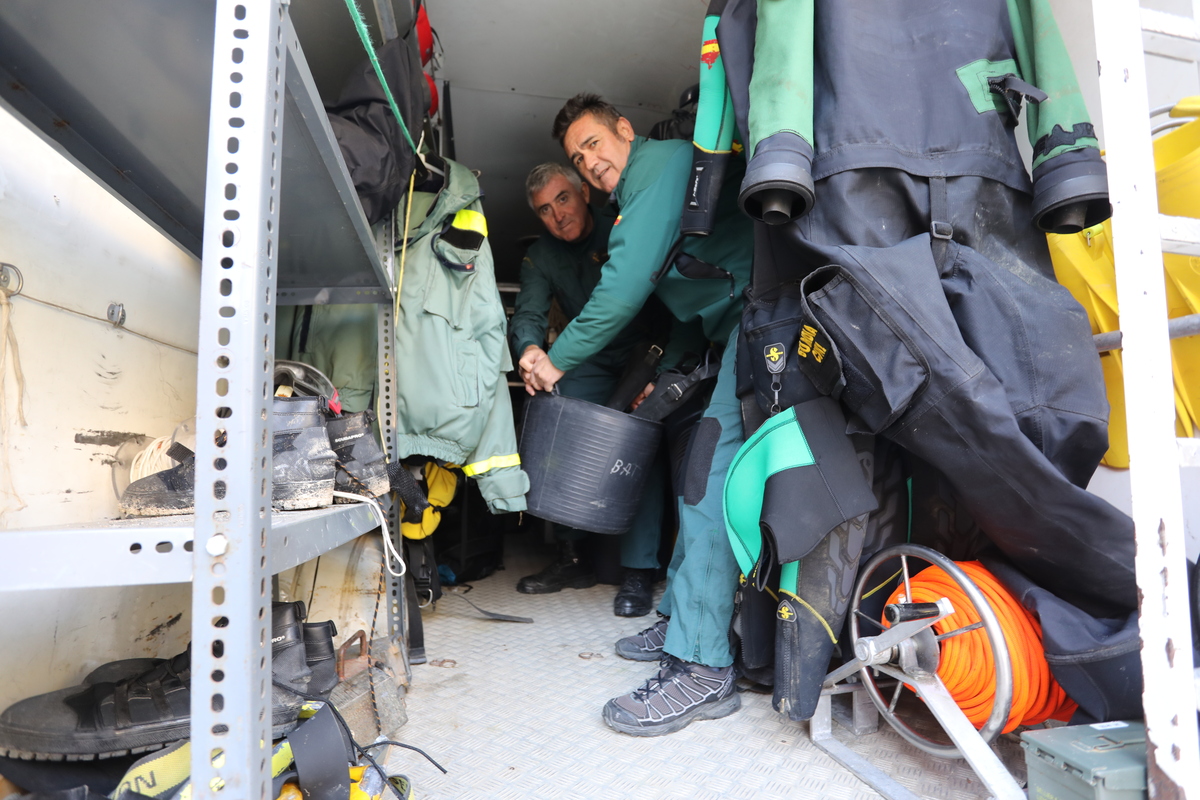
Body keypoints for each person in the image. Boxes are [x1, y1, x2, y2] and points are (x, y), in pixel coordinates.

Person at [519, 94, 753, 736]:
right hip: (733, 331)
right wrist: (670, 373)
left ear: (624, 130)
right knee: (694, 476)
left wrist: (556, 361)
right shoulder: (632, 200)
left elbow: (624, 292)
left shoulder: (662, 166)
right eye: (577, 156)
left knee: (707, 479)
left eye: (594, 144)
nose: (589, 162)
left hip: (763, 319)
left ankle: (703, 669)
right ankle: (683, 615)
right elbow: (678, 303)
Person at [509, 162, 667, 617]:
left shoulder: (621, 227)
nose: (557, 215)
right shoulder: (541, 255)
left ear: (583, 191)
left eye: (562, 199)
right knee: (561, 418)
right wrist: (530, 349)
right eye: (544, 209)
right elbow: (529, 314)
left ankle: (639, 569)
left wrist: (662, 366)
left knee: (635, 439)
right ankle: (572, 556)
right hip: (589, 355)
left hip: (643, 347)